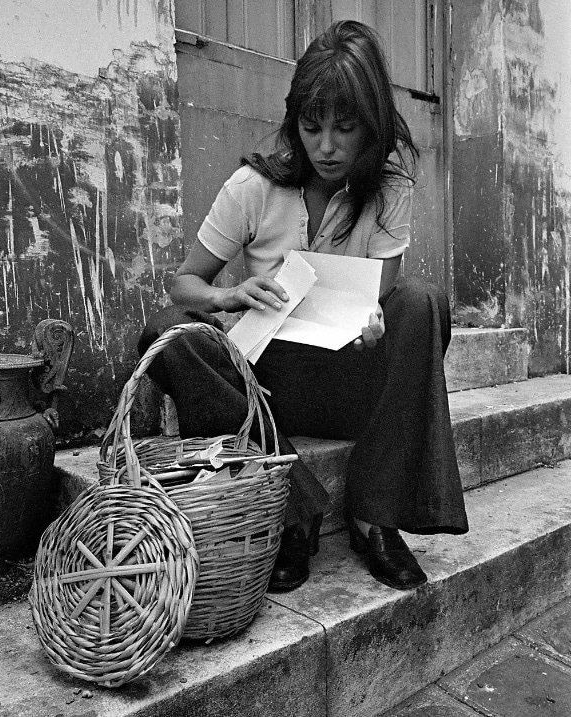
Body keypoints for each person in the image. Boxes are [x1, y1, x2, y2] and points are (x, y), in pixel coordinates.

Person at [138, 20, 469, 593]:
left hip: (353, 378)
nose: (327, 146)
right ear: (296, 124)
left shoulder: (391, 189)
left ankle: (374, 516)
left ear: (372, 128)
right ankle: (295, 510)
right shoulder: (253, 187)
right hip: (267, 391)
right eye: (312, 128)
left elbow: (387, 291)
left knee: (424, 302)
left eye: (345, 128)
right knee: (167, 334)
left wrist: (377, 320)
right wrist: (227, 296)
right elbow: (183, 283)